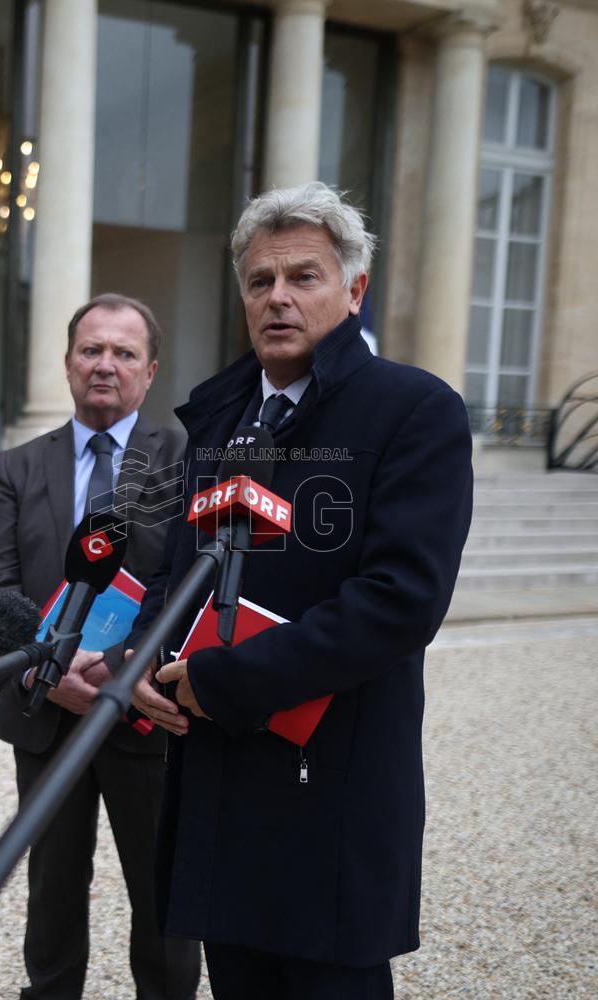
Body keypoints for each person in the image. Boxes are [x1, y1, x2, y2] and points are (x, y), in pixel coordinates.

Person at [129, 183, 474, 999]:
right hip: (218, 776)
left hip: (331, 782)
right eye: (260, 280)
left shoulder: (414, 410)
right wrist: (142, 655)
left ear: (355, 291)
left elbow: (401, 600)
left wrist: (225, 680)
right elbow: (177, 568)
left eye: (304, 277)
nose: (278, 297)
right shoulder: (216, 420)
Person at [0, 293, 200, 1000]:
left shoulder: (186, 460)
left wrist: (122, 664)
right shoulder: (18, 466)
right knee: (52, 886)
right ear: (68, 363)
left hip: (142, 710)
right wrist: (55, 667)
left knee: (161, 893)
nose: (106, 365)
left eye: (123, 353)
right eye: (91, 350)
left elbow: (189, 581)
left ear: (150, 370)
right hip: (46, 708)